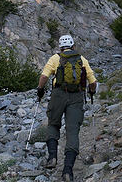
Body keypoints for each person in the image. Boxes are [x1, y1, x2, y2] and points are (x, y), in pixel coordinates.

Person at [37, 35, 97, 182]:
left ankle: (52, 158)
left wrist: (40, 89)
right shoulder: (81, 59)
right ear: (73, 46)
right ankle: (68, 171)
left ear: (60, 46)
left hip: (58, 95)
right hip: (76, 97)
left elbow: (44, 77)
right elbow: (93, 81)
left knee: (53, 123)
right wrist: (92, 92)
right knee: (72, 130)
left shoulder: (55, 58)